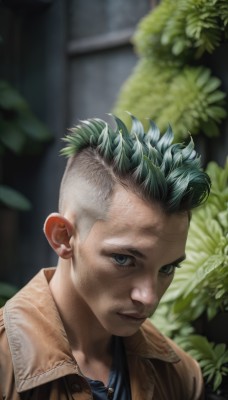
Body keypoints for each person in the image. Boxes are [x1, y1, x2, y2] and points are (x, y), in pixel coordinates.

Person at [0, 114, 211, 399]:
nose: (148, 297)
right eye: (124, 259)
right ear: (62, 236)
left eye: (167, 268)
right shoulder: (5, 367)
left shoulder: (180, 376)